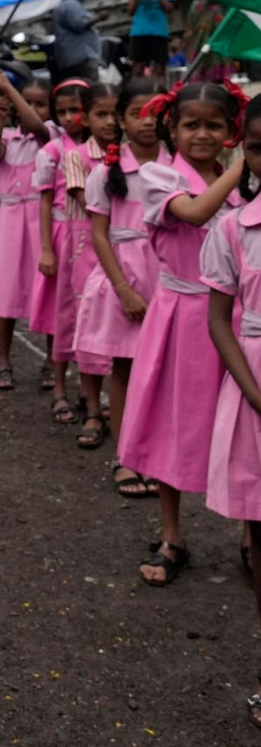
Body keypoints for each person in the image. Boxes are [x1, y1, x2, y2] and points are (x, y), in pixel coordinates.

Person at [118, 82, 248, 586]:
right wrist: (246, 164)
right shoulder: (159, 174)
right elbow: (194, 212)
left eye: (214, 125)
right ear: (171, 127)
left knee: (241, 427)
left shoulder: (244, 183)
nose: (202, 134)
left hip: (236, 320)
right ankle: (173, 535)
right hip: (182, 320)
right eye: (191, 124)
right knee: (174, 427)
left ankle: (248, 534)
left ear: (230, 131)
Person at [73, 80, 167, 496]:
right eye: (136, 114)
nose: (147, 122)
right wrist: (123, 290)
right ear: (121, 120)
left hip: (169, 278)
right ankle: (126, 457)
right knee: (125, 368)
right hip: (125, 276)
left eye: (156, 113)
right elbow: (99, 235)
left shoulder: (177, 168)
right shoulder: (105, 172)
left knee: (165, 371)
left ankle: (160, 456)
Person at [202, 93, 261, 728]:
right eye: (259, 146)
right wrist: (249, 390)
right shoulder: (233, 226)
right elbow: (218, 317)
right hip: (255, 383)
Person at [0, 71, 52, 389]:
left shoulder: (50, 135)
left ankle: (53, 359)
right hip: (11, 219)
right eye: (30, 102)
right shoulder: (9, 137)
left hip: (40, 218)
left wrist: (11, 90)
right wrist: (0, 117)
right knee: (8, 291)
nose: (34, 109)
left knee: (47, 289)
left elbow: (38, 126)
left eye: (41, 104)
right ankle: (4, 360)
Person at [64, 83, 119, 446]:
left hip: (127, 253)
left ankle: (120, 406)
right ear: (87, 115)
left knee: (123, 331)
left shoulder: (137, 159)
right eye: (101, 114)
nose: (110, 122)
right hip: (89, 248)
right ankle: (93, 409)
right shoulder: (78, 157)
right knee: (91, 330)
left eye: (117, 113)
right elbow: (93, 206)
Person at [30, 79, 89, 411]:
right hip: (62, 236)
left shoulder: (103, 149)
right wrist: (46, 248)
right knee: (60, 313)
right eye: (62, 111)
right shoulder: (52, 150)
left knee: (88, 313)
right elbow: (44, 201)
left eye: (76, 110)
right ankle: (59, 385)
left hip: (91, 238)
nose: (69, 117)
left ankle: (86, 385)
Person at [52, 0, 104, 84]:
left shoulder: (65, 4)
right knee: (91, 87)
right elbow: (79, 24)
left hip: (71, 57)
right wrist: (99, 18)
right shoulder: (71, 4)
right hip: (81, 56)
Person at [127, 0, 178, 78]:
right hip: (139, 31)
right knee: (138, 67)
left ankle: (159, 90)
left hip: (160, 31)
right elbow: (130, 11)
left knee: (160, 69)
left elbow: (170, 9)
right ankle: (136, 90)